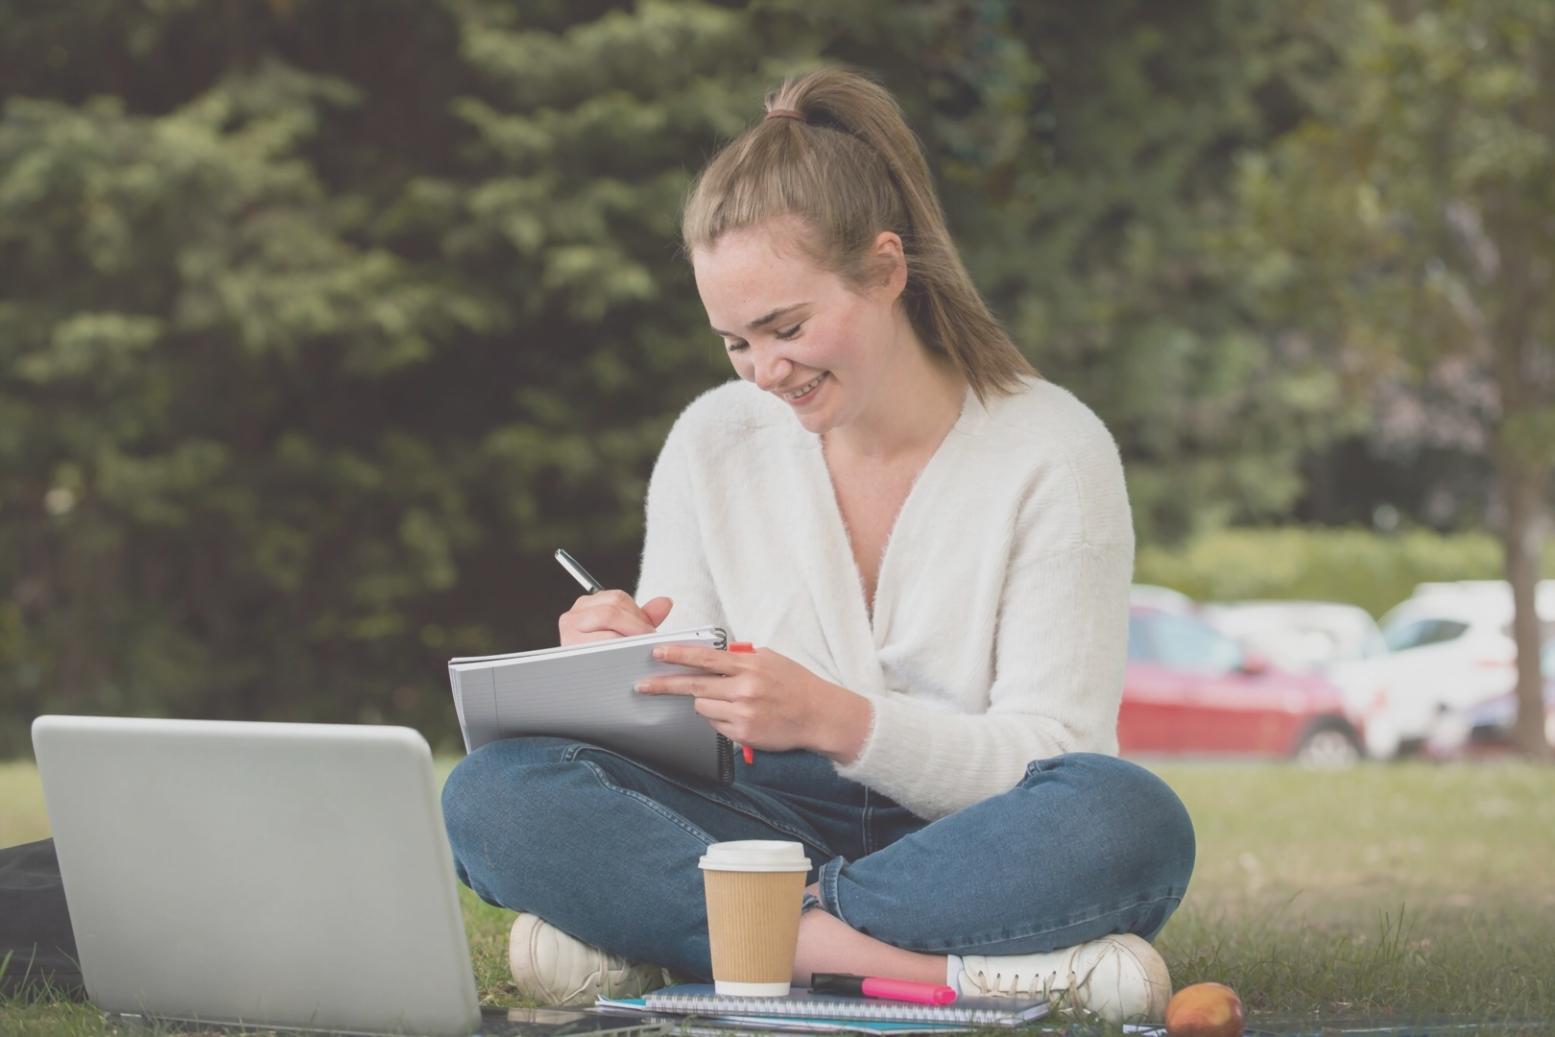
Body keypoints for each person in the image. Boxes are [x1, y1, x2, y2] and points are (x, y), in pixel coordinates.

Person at [440, 67, 1195, 1024]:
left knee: (1125, 818)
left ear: (885, 269)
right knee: (495, 793)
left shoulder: (1054, 451)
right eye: (735, 343)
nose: (765, 371)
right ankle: (908, 968)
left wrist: (838, 718)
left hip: (973, 834)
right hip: (761, 829)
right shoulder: (711, 440)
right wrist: (619, 668)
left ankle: (685, 944)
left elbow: (1054, 753)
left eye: (785, 327)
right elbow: (687, 737)